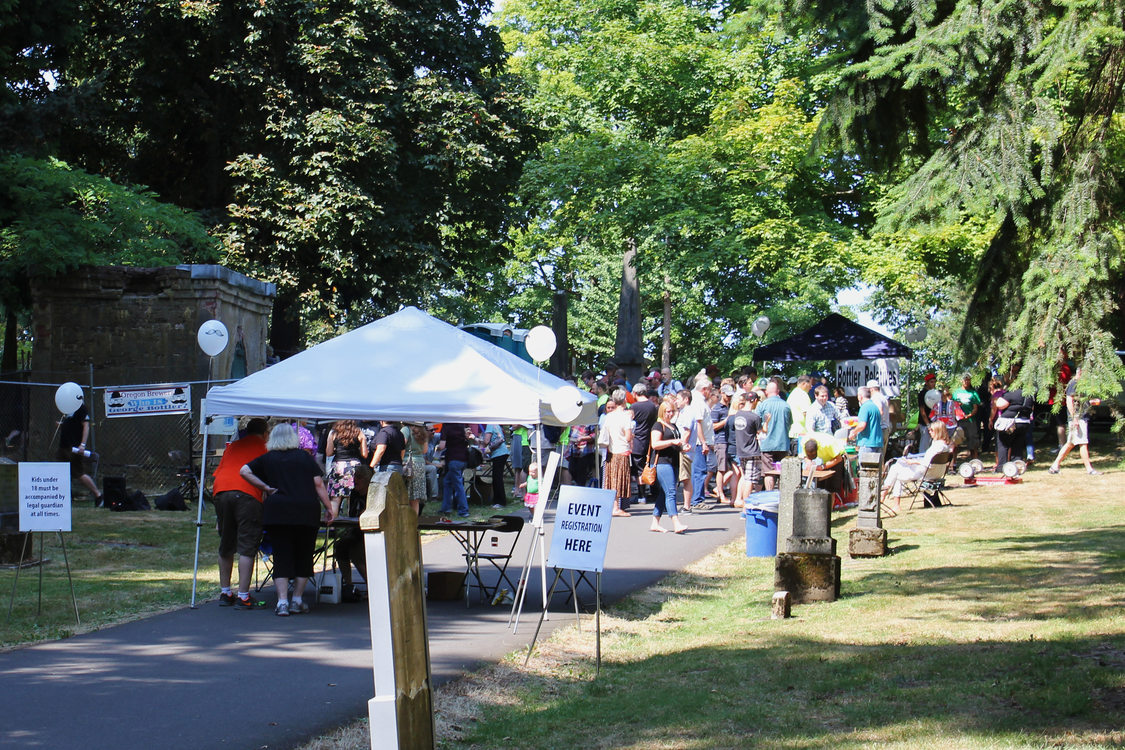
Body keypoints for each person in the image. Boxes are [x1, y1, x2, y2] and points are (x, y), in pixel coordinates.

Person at [240, 424, 334, 617]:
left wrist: (266, 487)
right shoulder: (304, 458)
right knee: (304, 554)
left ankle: (282, 601)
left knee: (281, 555)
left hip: (278, 512)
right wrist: (328, 507)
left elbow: (244, 471)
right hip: (306, 511)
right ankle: (297, 600)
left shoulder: (267, 458)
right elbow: (318, 484)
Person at [212, 418, 270, 609]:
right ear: (265, 434)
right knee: (247, 545)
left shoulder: (233, 446)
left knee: (226, 543)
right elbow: (268, 478)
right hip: (246, 494)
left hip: (221, 492)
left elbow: (220, 472)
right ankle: (243, 595)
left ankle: (225, 591)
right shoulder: (265, 448)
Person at [881, 421, 951, 512]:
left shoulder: (936, 447)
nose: (929, 432)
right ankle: (889, 498)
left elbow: (926, 464)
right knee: (897, 468)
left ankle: (885, 494)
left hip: (926, 474)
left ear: (938, 431)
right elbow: (929, 462)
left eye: (931, 430)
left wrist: (912, 462)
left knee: (896, 469)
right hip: (937, 473)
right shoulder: (944, 446)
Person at [1048, 367, 1102, 475]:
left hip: (1081, 417)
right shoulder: (1073, 383)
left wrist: (1091, 402)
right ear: (1080, 372)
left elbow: (1081, 401)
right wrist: (1074, 418)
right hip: (1078, 418)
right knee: (1082, 443)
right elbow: (1069, 401)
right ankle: (1089, 469)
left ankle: (1054, 466)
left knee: (1071, 443)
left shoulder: (1080, 385)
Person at [649, 398, 688, 533]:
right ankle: (676, 522)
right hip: (662, 463)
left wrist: (683, 447)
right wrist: (673, 441)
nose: (670, 414)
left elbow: (676, 444)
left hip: (674, 461)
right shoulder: (658, 425)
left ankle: (655, 522)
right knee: (671, 492)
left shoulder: (673, 426)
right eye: (667, 412)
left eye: (672, 411)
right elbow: (655, 444)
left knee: (664, 493)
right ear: (661, 412)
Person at [57, 401, 102, 506]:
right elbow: (70, 426)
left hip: (74, 449)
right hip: (63, 447)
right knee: (61, 472)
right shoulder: (68, 408)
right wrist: (61, 426)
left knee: (79, 474)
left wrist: (82, 444)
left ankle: (98, 495)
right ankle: (64, 497)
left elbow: (86, 426)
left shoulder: (81, 408)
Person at [599, 389, 633, 516]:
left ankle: (613, 506)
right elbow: (628, 437)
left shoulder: (608, 416)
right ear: (624, 400)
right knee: (619, 479)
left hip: (610, 451)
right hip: (622, 450)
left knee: (611, 479)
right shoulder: (625, 417)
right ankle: (616, 507)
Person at [325, 420, 368, 519]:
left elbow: (328, 452)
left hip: (338, 467)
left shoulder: (334, 433)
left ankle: (332, 526)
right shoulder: (359, 432)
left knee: (335, 499)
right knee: (352, 499)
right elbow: (364, 454)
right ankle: (351, 528)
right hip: (354, 468)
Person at [756, 381, 792, 490]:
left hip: (767, 444)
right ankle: (782, 497)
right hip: (783, 443)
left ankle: (769, 495)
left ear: (766, 392)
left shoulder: (762, 405)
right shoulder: (786, 405)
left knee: (768, 472)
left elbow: (757, 424)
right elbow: (790, 423)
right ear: (778, 392)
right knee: (782, 472)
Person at [732, 391, 764, 506]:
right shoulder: (755, 417)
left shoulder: (738, 415)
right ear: (755, 401)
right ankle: (746, 507)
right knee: (750, 480)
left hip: (741, 451)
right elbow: (761, 434)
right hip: (753, 451)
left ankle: (741, 502)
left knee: (745, 477)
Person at [629, 383, 658, 508]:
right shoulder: (652, 406)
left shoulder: (633, 407)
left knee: (638, 471)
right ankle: (650, 492)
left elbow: (629, 423)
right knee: (648, 467)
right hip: (649, 440)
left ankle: (641, 496)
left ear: (635, 393)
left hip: (636, 441)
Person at [993, 384, 1034, 469]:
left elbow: (1000, 405)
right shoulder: (1030, 395)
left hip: (1010, 423)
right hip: (1024, 423)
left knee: (1003, 444)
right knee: (1018, 445)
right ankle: (1016, 467)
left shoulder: (1012, 393)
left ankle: (1001, 467)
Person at [439, 422, 471, 518]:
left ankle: (463, 510)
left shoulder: (446, 427)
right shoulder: (462, 425)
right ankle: (446, 508)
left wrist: (437, 448)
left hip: (453, 459)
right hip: (464, 458)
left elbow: (442, 446)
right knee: (447, 482)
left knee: (458, 485)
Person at [951, 374, 982, 459]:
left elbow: (975, 407)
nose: (966, 382)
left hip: (970, 420)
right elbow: (952, 405)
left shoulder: (973, 393)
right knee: (955, 441)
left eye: (968, 380)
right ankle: (952, 465)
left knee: (973, 441)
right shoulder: (956, 392)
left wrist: (969, 415)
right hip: (958, 420)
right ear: (961, 381)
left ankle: (974, 461)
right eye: (965, 380)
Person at [480, 424, 509, 509]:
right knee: (497, 477)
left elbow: (486, 441)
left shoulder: (489, 425)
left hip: (498, 454)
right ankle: (498, 500)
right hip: (503, 453)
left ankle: (500, 502)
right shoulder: (496, 425)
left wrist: (479, 440)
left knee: (497, 478)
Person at [405, 424, 431, 515]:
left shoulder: (406, 430)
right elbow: (425, 450)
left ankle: (407, 523)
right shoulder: (423, 431)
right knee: (415, 499)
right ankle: (414, 522)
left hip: (408, 465)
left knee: (406, 496)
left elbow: (401, 446)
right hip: (420, 464)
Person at [850, 386, 884, 453]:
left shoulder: (864, 407)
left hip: (867, 444)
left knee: (864, 463)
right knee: (876, 463)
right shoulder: (875, 407)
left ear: (860, 396)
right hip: (878, 443)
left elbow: (862, 425)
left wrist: (853, 432)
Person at [787, 375, 814, 454]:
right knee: (801, 462)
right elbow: (808, 414)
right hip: (800, 434)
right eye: (810, 385)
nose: (811, 387)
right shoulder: (803, 395)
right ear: (804, 384)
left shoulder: (793, 394)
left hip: (792, 433)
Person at [916, 372, 938, 450]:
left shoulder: (935, 393)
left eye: (934, 382)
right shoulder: (922, 394)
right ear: (926, 383)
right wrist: (928, 425)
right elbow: (922, 411)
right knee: (924, 445)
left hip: (934, 423)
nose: (933, 384)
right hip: (925, 424)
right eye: (931, 382)